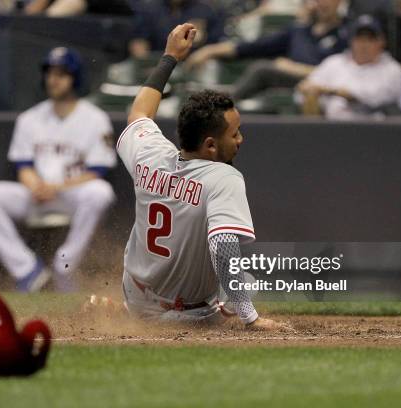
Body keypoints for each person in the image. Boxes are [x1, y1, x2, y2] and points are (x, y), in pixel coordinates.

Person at [117, 23, 287, 330]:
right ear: (210, 145)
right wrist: (251, 317)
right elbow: (222, 246)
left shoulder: (150, 153)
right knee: (246, 280)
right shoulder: (223, 177)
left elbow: (138, 114)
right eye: (234, 133)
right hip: (186, 316)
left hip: (135, 298)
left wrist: (170, 56)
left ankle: (126, 310)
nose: (240, 139)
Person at [0, 47, 116, 292]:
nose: (53, 79)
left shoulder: (95, 119)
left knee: (101, 192)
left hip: (70, 195)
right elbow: (23, 166)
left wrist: (54, 188)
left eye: (61, 74)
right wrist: (36, 186)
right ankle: (28, 271)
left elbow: (96, 171)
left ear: (75, 78)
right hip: (36, 194)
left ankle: (64, 266)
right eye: (50, 72)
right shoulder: (30, 118)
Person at [185, 0, 348, 100]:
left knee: (262, 69)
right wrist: (210, 50)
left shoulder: (347, 33)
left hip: (324, 91)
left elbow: (352, 73)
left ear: (340, 2)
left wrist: (297, 69)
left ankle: (221, 107)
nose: (324, 3)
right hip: (289, 84)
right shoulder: (299, 31)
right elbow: (255, 47)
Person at [296, 15, 401, 119]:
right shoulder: (333, 62)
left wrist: (328, 91)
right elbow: (301, 94)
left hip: (373, 130)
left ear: (382, 41)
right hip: (330, 128)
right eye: (359, 38)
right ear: (351, 40)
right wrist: (310, 92)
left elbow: (371, 99)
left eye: (370, 39)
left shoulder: (393, 70)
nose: (364, 44)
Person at [129, 0, 225, 59]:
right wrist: (145, 62)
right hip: (157, 65)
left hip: (193, 67)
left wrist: (205, 50)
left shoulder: (206, 10)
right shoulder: (150, 8)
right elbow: (138, 41)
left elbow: (216, 44)